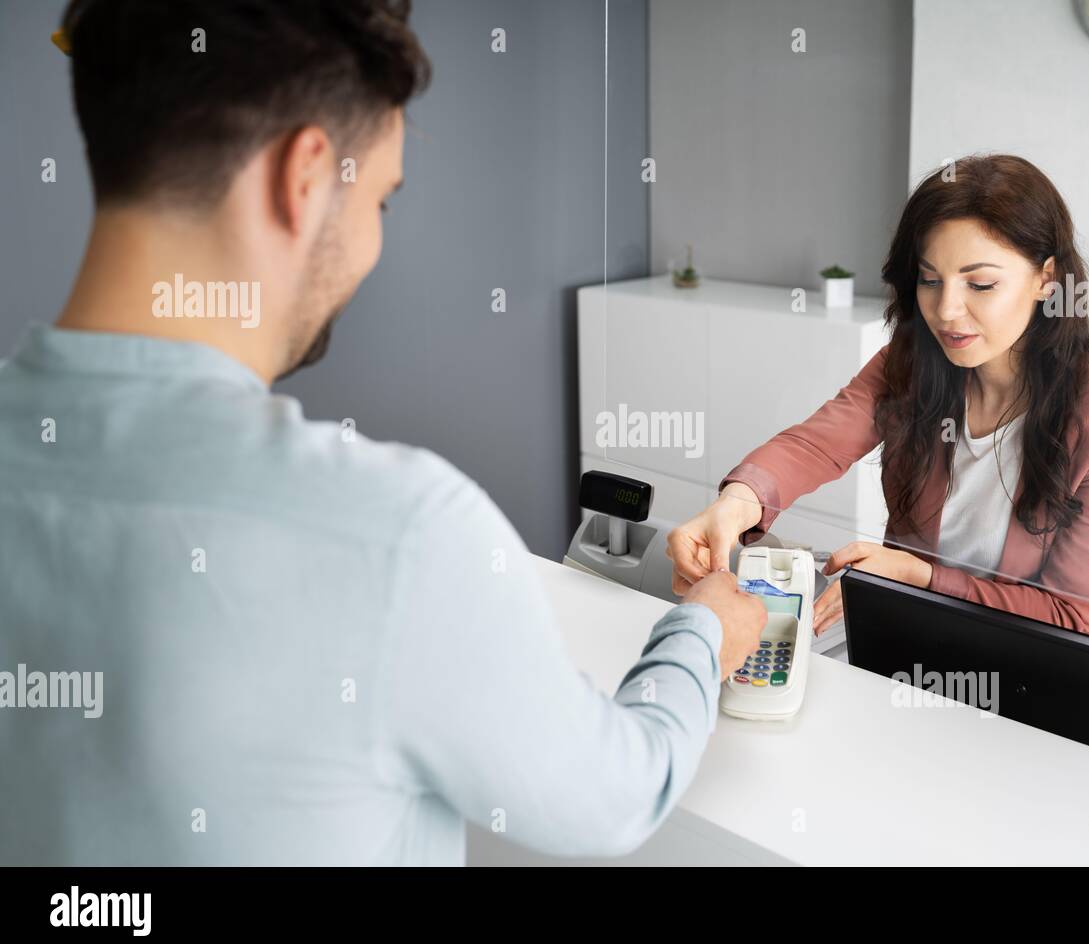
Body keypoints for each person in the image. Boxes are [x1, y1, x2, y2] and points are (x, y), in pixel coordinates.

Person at [0, 0, 765, 865]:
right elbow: (614, 796)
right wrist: (703, 630)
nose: (372, 241)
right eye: (380, 201)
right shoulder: (398, 530)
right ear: (304, 177)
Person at [669, 155, 1089, 646]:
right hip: (916, 643)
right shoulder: (908, 365)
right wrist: (739, 502)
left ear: (1046, 280)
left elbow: (1065, 613)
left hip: (1043, 666)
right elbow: (815, 445)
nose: (946, 310)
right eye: (930, 279)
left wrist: (921, 578)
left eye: (980, 284)